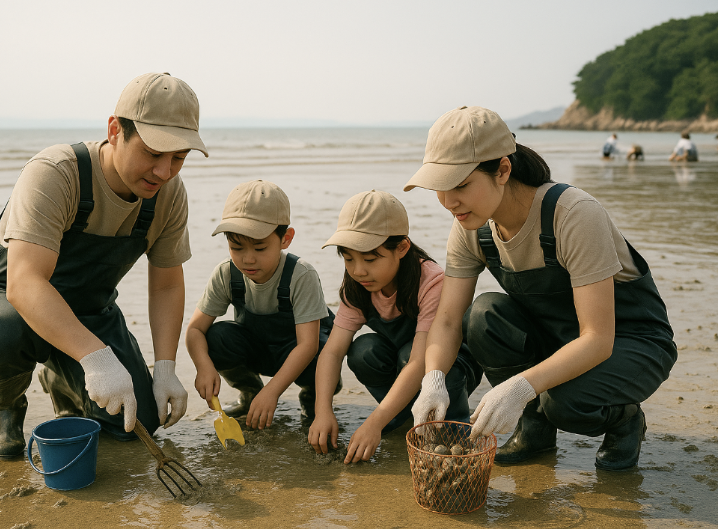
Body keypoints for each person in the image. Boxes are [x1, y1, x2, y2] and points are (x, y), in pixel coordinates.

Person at [404, 106, 677, 471]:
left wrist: (519, 387)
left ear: (503, 170)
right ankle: (535, 429)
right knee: (483, 315)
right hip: (560, 337)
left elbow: (597, 338)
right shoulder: (471, 228)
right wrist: (433, 378)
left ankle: (624, 421)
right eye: (440, 187)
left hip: (630, 341)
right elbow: (450, 320)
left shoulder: (573, 214)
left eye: (461, 185)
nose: (448, 201)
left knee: (565, 403)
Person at [0, 72, 207, 458]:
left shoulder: (169, 196)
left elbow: (167, 285)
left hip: (89, 311)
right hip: (7, 302)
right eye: (153, 153)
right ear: (114, 130)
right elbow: (24, 283)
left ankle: (63, 380)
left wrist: (166, 368)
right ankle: (4, 409)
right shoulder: (57, 172)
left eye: (179, 157)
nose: (164, 171)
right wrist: (98, 358)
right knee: (0, 331)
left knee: (136, 422)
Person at [308, 190, 481, 463]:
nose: (358, 270)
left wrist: (374, 423)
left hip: (449, 368)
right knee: (364, 350)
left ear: (401, 248)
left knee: (410, 354)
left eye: (370, 259)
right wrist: (322, 411)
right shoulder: (357, 286)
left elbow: (418, 361)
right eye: (348, 258)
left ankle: (452, 424)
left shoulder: (431, 282)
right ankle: (402, 414)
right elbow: (332, 352)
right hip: (404, 363)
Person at [185, 180, 336, 429]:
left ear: (285, 239)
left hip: (298, 351)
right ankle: (251, 393)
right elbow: (194, 330)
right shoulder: (226, 273)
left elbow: (307, 345)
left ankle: (314, 398)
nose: (248, 258)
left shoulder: (301, 275)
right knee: (216, 336)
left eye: (260, 247)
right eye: (236, 247)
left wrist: (274, 391)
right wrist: (203, 366)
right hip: (257, 349)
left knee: (322, 349)